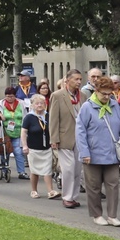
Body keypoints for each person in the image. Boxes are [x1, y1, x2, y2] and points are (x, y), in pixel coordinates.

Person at [76, 76, 120, 227]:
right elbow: (80, 132)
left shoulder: (115, 106)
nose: (107, 97)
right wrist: (85, 152)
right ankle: (97, 214)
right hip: (92, 155)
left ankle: (112, 215)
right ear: (96, 91)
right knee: (94, 187)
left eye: (109, 94)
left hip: (111, 154)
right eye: (104, 94)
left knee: (113, 185)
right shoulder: (87, 108)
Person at [49, 69, 84, 209]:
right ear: (67, 80)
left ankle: (74, 196)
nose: (79, 82)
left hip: (80, 137)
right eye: (76, 79)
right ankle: (67, 197)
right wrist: (54, 138)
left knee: (77, 169)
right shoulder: (57, 95)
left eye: (80, 79)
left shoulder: (84, 96)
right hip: (65, 136)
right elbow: (53, 119)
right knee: (68, 169)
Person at [21, 94, 60, 199]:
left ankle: (50, 191)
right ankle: (34, 190)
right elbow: (24, 132)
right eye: (37, 103)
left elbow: (54, 129)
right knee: (34, 171)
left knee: (48, 170)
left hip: (47, 148)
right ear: (32, 105)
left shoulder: (48, 116)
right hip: (33, 149)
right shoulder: (29, 117)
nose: (39, 105)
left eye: (42, 103)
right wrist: (24, 146)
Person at [0, 87, 29, 179]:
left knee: (18, 152)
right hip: (5, 133)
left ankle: (21, 172)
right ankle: (4, 170)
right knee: (5, 152)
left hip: (18, 131)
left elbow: (25, 116)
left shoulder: (21, 103)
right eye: (7, 96)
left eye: (11, 96)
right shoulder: (1, 104)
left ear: (15, 96)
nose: (9, 98)